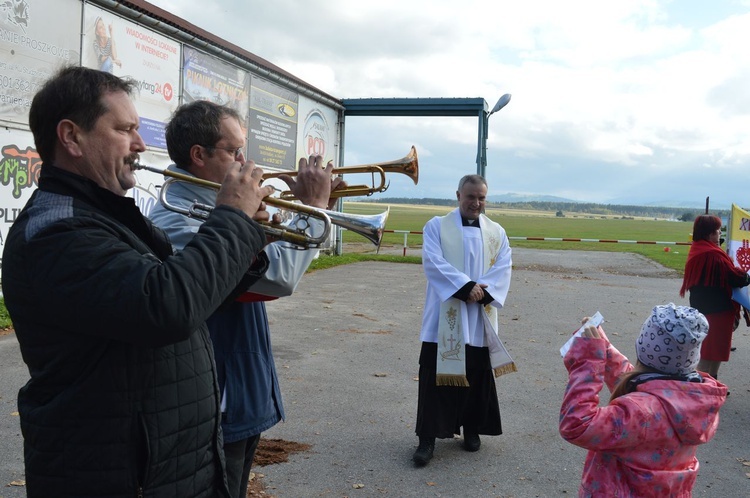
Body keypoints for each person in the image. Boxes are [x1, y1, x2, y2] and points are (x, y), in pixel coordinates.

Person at [1, 66, 277, 497]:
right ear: (71, 137)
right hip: (118, 476)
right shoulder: (58, 232)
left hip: (161, 467)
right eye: (125, 129)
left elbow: (191, 281)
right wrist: (232, 220)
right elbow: (167, 306)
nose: (141, 144)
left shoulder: (105, 216)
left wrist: (248, 233)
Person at [148, 100, 343, 498]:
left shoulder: (213, 205)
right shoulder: (177, 214)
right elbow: (277, 277)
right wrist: (312, 207)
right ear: (198, 156)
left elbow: (264, 259)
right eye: (234, 151)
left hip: (238, 384)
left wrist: (305, 217)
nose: (245, 161)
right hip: (215, 396)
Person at [559, 303, 728, 497]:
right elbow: (638, 384)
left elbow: (577, 425)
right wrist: (602, 346)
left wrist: (589, 361)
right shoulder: (695, 400)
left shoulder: (642, 413)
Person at [412, 174, 513, 467]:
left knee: (478, 373)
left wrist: (483, 292)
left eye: (482, 197)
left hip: (480, 313)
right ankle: (427, 438)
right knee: (434, 376)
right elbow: (433, 262)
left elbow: (504, 266)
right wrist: (465, 286)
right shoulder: (436, 227)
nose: (476, 203)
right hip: (445, 315)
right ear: (458, 195)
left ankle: (472, 429)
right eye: (471, 197)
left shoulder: (497, 232)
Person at [679, 214, 750, 379]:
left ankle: (710, 382)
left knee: (714, 350)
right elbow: (733, 276)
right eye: (718, 231)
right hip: (717, 310)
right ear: (709, 233)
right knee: (711, 351)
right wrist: (746, 277)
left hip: (706, 307)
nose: (720, 235)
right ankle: (703, 385)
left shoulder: (699, 248)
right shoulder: (712, 254)